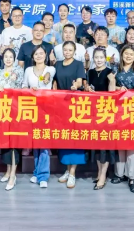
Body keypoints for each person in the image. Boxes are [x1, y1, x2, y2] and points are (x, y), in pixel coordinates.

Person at [113, 44, 134, 193]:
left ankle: (133, 177)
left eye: (131, 54)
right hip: (118, 109)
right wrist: (117, 88)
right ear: (122, 55)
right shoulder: (115, 68)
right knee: (120, 141)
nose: (128, 56)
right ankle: (119, 173)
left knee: (133, 142)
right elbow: (109, 86)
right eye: (126, 54)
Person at [22, 45, 56, 189]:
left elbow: (49, 77)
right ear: (33, 57)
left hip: (46, 109)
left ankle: (43, 176)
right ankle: (36, 172)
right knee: (35, 141)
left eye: (41, 53)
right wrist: (30, 90)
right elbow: (24, 86)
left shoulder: (51, 69)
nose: (39, 56)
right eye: (36, 54)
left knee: (44, 143)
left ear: (46, 55)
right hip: (32, 108)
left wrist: (46, 78)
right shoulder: (28, 70)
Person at [54, 41, 87, 189]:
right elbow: (55, 83)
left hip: (75, 104)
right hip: (61, 105)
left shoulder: (78, 64)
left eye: (70, 50)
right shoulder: (57, 64)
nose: (67, 52)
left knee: (75, 138)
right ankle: (67, 171)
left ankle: (73, 173)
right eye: (65, 50)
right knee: (65, 138)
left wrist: (75, 86)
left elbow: (80, 81)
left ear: (74, 51)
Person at [85, 47, 117, 190]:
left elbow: (112, 94)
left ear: (106, 58)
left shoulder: (110, 72)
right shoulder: (90, 72)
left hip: (106, 113)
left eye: (101, 57)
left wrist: (112, 82)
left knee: (105, 145)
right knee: (96, 144)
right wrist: (87, 89)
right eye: (96, 57)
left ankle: (103, 175)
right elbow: (88, 90)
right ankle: (99, 172)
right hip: (93, 112)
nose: (99, 60)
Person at [0, 48, 24, 191]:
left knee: (14, 142)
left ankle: (13, 174)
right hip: (3, 109)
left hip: (15, 109)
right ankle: (7, 170)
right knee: (5, 141)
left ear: (14, 58)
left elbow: (19, 85)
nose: (8, 59)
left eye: (10, 57)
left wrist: (11, 79)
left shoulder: (19, 71)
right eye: (5, 56)